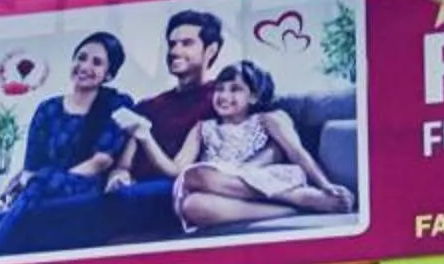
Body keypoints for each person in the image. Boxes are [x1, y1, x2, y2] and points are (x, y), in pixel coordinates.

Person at [117, 61, 353, 231]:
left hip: (266, 178)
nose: (224, 95)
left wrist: (325, 185)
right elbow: (175, 170)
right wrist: (145, 137)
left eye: (235, 89)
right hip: (223, 185)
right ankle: (294, 204)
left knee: (199, 177)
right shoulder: (203, 127)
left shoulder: (269, 119)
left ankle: (305, 196)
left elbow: (297, 153)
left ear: (253, 97)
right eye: (219, 89)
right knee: (191, 203)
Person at [0, 32, 132, 253]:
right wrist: (38, 180)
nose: (85, 66)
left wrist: (50, 180)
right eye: (81, 58)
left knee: (37, 186)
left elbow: (100, 161)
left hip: (87, 184)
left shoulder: (117, 104)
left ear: (108, 74)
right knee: (30, 190)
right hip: (42, 187)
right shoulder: (48, 108)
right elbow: (31, 165)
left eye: (97, 62)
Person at [107, 8, 224, 196]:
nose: (175, 51)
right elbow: (124, 165)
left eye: (187, 43)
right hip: (137, 199)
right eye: (172, 44)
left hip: (190, 197)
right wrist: (119, 176)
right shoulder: (149, 106)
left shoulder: (222, 100)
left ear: (211, 50)